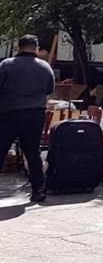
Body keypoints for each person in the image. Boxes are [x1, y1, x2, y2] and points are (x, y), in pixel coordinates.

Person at [0, 34, 56, 202]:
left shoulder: (6, 65)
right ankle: (38, 190)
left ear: (19, 47)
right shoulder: (44, 67)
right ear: (36, 48)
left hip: (8, 113)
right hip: (34, 115)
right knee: (32, 152)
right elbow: (49, 89)